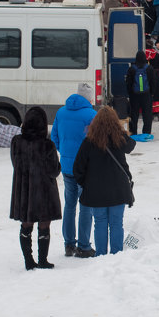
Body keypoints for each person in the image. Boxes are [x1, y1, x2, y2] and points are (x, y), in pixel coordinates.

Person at [72, 106, 136, 256]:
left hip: (96, 191)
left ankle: (101, 256)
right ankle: (117, 256)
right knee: (116, 224)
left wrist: (86, 184)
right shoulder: (119, 139)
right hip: (118, 190)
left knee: (100, 223)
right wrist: (120, 131)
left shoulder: (89, 141)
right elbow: (131, 145)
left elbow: (78, 168)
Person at [10, 107, 62, 270]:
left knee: (26, 224)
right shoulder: (47, 145)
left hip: (23, 190)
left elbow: (15, 163)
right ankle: (43, 260)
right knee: (44, 225)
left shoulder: (16, 142)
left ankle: (28, 260)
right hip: (44, 192)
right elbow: (54, 170)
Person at [50, 86, 97, 258]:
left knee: (70, 205)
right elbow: (97, 142)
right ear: (89, 99)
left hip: (67, 167)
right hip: (86, 169)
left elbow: (54, 136)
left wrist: (64, 151)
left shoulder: (61, 112)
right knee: (86, 206)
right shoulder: (91, 115)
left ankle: (69, 244)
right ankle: (84, 246)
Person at [125, 50, 159, 136]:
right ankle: (146, 132)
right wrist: (152, 93)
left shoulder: (131, 69)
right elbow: (153, 82)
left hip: (134, 95)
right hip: (146, 95)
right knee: (147, 114)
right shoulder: (149, 68)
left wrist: (130, 93)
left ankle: (133, 132)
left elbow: (128, 83)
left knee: (134, 114)